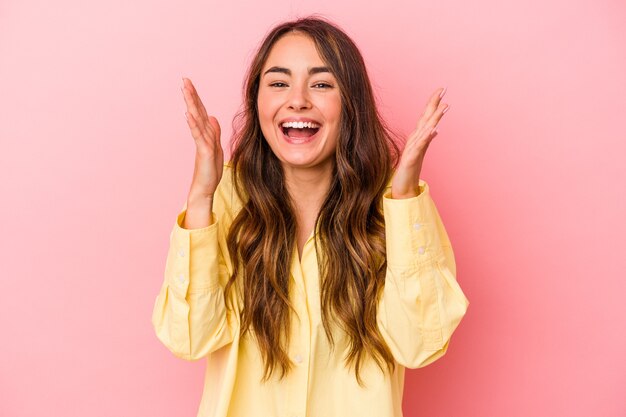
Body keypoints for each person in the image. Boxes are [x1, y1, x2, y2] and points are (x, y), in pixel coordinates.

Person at [152, 16, 469, 417]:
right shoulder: (226, 200)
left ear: (350, 104)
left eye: (321, 84)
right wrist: (201, 196)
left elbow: (419, 345)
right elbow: (190, 338)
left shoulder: (397, 209)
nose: (298, 99)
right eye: (279, 83)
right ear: (258, 102)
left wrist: (404, 195)